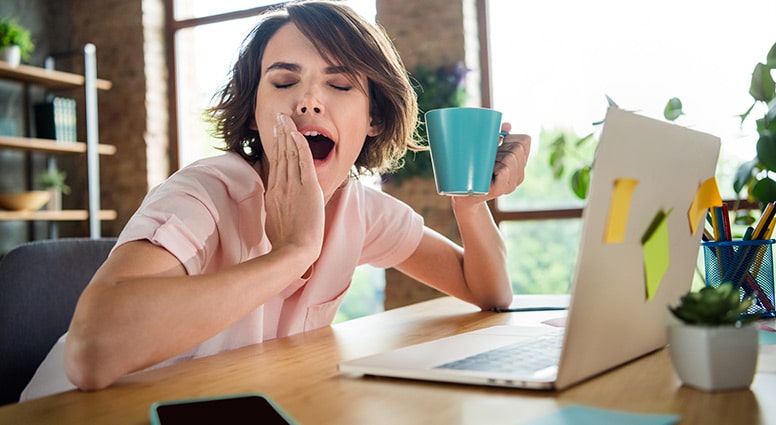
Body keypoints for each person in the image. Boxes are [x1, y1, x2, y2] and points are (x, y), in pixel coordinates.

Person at [21, 0, 531, 400]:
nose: (309, 100)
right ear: (253, 113)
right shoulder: (201, 193)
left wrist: (471, 205)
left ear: (373, 118)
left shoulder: (360, 209)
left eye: (339, 83)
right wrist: (292, 254)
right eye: (284, 81)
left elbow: (488, 292)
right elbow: (90, 353)